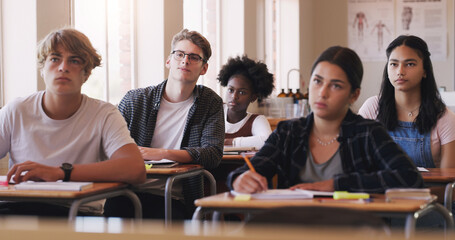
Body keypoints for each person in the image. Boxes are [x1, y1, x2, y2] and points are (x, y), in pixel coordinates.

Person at [227, 46, 423, 194]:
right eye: (317, 81)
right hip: (295, 228)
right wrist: (239, 179)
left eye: (336, 86)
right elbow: (245, 172)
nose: (322, 93)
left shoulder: (368, 133)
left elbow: (410, 177)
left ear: (353, 95)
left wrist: (337, 185)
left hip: (355, 228)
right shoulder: (289, 132)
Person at [0, 28, 146, 216]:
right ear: (43, 69)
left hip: (77, 213)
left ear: (87, 73)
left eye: (74, 60)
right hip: (16, 210)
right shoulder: (16, 110)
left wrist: (61, 173)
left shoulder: (104, 114)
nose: (63, 67)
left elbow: (135, 168)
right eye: (55, 59)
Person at [104, 29, 224, 219]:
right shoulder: (136, 100)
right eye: (180, 55)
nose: (185, 61)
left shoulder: (210, 102)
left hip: (174, 196)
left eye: (194, 57)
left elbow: (213, 154)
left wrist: (161, 153)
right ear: (169, 61)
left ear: (204, 68)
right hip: (126, 191)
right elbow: (107, 146)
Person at [359, 35, 455, 169]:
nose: (400, 71)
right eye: (393, 64)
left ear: (425, 71)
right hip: (380, 189)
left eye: (410, 64)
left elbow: (449, 184)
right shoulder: (372, 108)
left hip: (429, 190)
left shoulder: (444, 118)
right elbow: (358, 166)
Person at [217, 55, 274, 150]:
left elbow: (268, 141)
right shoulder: (215, 111)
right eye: (231, 90)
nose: (234, 97)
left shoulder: (256, 120)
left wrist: (229, 142)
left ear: (253, 97)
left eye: (242, 92)